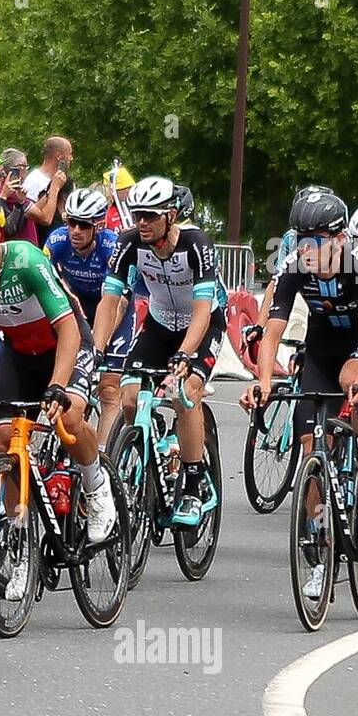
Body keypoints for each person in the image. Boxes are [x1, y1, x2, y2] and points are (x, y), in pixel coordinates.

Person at [0, 192, 115, 597]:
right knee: (4, 440)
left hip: (66, 345)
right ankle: (22, 548)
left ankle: (95, 483)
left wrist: (57, 385)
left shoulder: (27, 260)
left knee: (68, 419)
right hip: (20, 355)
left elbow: (69, 329)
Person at [240, 190, 358, 532]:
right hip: (321, 346)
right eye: (300, 238)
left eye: (315, 240)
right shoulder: (294, 264)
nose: (306, 247)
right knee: (311, 447)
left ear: (340, 239)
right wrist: (263, 382)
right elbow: (273, 332)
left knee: (354, 381)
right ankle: (318, 537)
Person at [95, 176, 226, 527]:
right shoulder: (129, 243)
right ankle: (153, 442)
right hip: (159, 323)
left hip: (202, 324)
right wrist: (96, 347)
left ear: (171, 215)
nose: (142, 223)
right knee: (129, 398)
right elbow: (111, 301)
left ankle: (195, 484)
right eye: (138, 215)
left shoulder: (196, 243)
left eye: (151, 216)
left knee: (186, 394)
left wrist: (185, 355)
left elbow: (202, 311)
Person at [44, 187, 131, 439]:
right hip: (79, 307)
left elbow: (117, 304)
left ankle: (104, 454)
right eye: (71, 223)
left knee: (108, 387)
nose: (75, 231)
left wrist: (96, 347)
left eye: (83, 225)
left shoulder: (112, 248)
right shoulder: (58, 241)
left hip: (114, 308)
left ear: (98, 226)